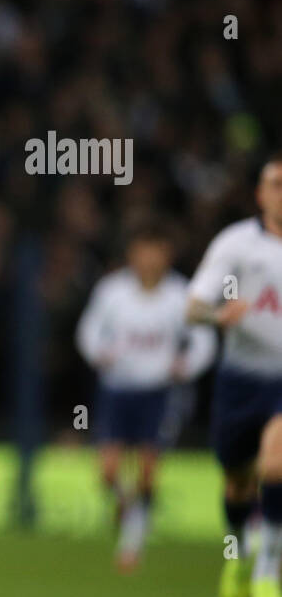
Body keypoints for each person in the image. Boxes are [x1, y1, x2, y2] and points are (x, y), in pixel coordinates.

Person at [75, 221, 214, 572]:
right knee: (107, 472)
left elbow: (203, 341)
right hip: (117, 388)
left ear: (167, 255)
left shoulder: (182, 294)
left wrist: (187, 365)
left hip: (159, 392)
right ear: (132, 254)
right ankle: (125, 507)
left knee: (148, 470)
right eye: (143, 251)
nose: (149, 259)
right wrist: (98, 352)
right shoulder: (112, 291)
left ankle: (132, 541)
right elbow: (89, 329)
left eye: (157, 252)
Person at [187, 156, 282, 597]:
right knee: (238, 479)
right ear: (261, 194)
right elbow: (194, 307)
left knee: (276, 464)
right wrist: (218, 317)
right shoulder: (237, 245)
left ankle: (269, 572)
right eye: (276, 184)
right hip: (241, 380)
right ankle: (239, 552)